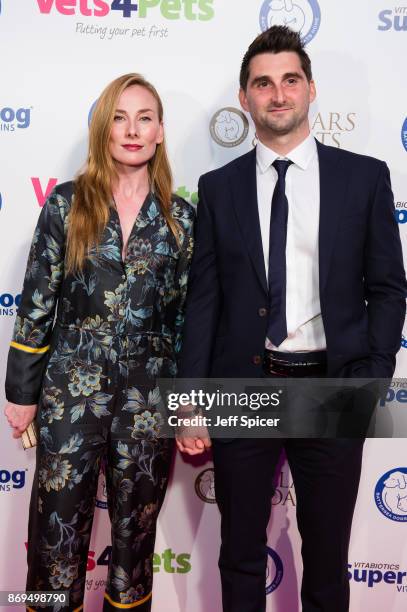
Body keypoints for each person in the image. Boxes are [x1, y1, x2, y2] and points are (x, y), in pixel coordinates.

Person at [176, 26, 406, 612]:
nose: (278, 94)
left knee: (327, 558)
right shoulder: (218, 188)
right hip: (241, 386)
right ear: (244, 97)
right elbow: (203, 301)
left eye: (290, 80)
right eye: (263, 83)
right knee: (240, 554)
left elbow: (387, 287)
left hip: (331, 387)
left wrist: (371, 378)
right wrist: (189, 401)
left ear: (310, 90)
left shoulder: (364, 177)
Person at [4, 73, 194, 611]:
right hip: (69, 395)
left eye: (145, 118)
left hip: (149, 402)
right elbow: (37, 300)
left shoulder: (182, 219)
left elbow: (187, 323)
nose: (132, 130)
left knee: (136, 536)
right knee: (55, 529)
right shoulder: (67, 205)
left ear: (160, 131)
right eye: (120, 117)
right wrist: (21, 394)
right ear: (103, 128)